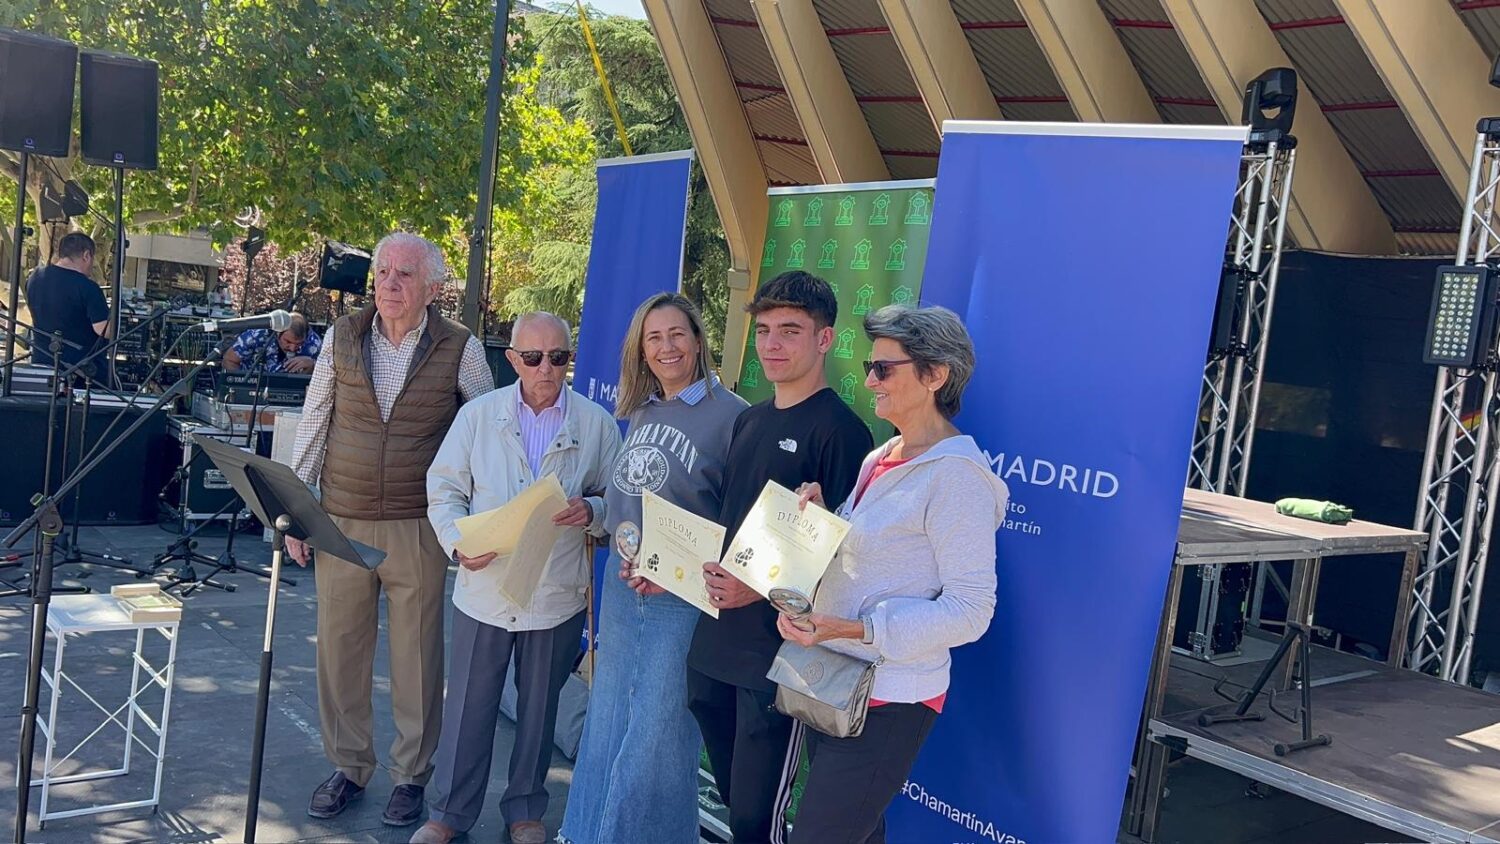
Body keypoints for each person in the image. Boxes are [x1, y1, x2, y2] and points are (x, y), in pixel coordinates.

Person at [286, 232, 495, 828]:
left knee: (418, 657)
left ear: (432, 287)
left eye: (405, 273)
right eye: (383, 271)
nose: (390, 283)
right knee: (339, 650)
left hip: (418, 522)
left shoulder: (461, 346)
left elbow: (486, 430)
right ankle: (349, 766)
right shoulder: (342, 336)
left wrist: (477, 522)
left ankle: (411, 776)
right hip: (342, 518)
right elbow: (315, 420)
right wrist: (297, 510)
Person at [781, 305, 1007, 844]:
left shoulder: (957, 478)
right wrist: (824, 520)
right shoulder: (882, 455)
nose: (869, 381)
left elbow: (972, 609)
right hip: (836, 679)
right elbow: (877, 558)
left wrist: (856, 628)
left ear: (935, 375)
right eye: (870, 366)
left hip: (889, 697)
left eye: (884, 368)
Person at [413, 312, 622, 844]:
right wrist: (456, 541)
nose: (545, 368)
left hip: (554, 591)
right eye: (532, 357)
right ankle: (448, 813)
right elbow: (444, 489)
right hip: (484, 587)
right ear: (511, 360)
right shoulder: (478, 416)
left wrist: (593, 511)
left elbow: (617, 501)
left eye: (558, 357)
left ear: (569, 359)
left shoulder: (596, 423)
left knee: (538, 711)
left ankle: (526, 810)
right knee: (467, 707)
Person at [686, 271, 872, 844]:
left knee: (755, 817)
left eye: (790, 330)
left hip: (777, 655)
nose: (771, 344)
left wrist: (761, 588)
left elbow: (845, 564)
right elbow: (731, 522)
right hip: (714, 642)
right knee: (734, 801)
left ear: (825, 339)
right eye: (764, 330)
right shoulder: (749, 419)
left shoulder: (844, 433)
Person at [560, 294, 748, 844]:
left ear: (698, 340)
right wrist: (594, 511)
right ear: (640, 350)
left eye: (677, 334)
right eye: (654, 338)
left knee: (659, 735)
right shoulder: (641, 410)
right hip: (624, 591)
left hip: (681, 599)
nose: (667, 347)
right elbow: (635, 500)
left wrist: (672, 567)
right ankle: (585, 834)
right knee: (607, 722)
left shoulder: (733, 416)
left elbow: (735, 521)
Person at [24, 232, 108, 372]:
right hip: (80, 371)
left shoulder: (34, 278)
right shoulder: (88, 287)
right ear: (86, 255)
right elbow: (103, 330)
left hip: (41, 363)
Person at [223, 312, 321, 373]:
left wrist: (313, 365)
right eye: (288, 341)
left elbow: (325, 373)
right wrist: (241, 385)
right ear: (278, 333)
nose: (292, 348)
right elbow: (229, 360)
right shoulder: (256, 335)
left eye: (299, 344)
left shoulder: (314, 344)